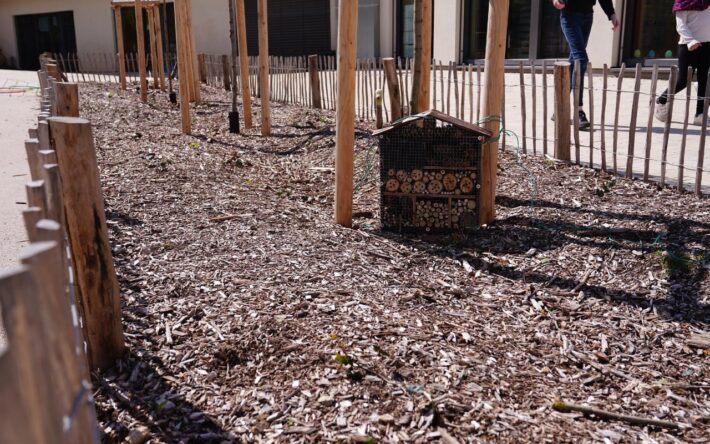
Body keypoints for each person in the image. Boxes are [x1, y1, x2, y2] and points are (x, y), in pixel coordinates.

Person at [553, 0, 621, 130]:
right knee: (581, 60)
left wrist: (611, 14)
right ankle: (578, 111)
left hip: (587, 16)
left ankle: (559, 107)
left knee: (574, 61)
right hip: (569, 14)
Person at [655, 0, 710, 125]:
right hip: (688, 46)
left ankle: (700, 115)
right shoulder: (683, 2)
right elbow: (680, 25)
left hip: (707, 45)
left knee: (703, 80)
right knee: (683, 81)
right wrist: (691, 41)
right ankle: (661, 101)